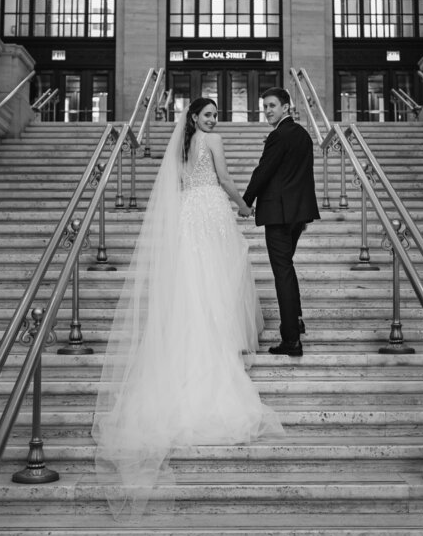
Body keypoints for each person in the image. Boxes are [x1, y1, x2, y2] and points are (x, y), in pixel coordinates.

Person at [92, 98, 284, 514]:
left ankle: (194, 348)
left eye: (215, 114)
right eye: (208, 114)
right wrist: (244, 205)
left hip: (189, 216)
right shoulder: (211, 141)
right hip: (211, 212)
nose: (214, 120)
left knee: (197, 282)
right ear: (195, 117)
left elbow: (179, 189)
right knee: (217, 277)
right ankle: (216, 347)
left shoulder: (180, 147)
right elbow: (227, 179)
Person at [243, 88, 320, 357]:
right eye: (265, 106)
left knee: (282, 272)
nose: (267, 110)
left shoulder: (278, 136)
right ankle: (295, 320)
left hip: (278, 215)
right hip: (297, 215)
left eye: (272, 106)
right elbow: (303, 175)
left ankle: (291, 339)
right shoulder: (303, 135)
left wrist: (246, 201)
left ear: (286, 108)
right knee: (287, 267)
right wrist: (304, 211)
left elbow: (263, 171)